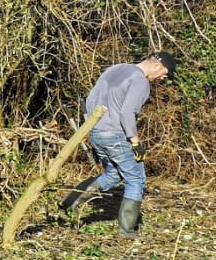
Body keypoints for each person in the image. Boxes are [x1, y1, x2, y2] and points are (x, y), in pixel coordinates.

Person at [67, 52, 176, 237]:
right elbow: (127, 113)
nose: (164, 78)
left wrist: (93, 126)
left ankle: (71, 201)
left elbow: (92, 99)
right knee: (136, 180)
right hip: (116, 135)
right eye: (165, 73)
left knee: (113, 174)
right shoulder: (140, 81)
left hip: (95, 130)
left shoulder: (116, 69)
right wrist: (135, 142)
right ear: (158, 65)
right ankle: (127, 230)